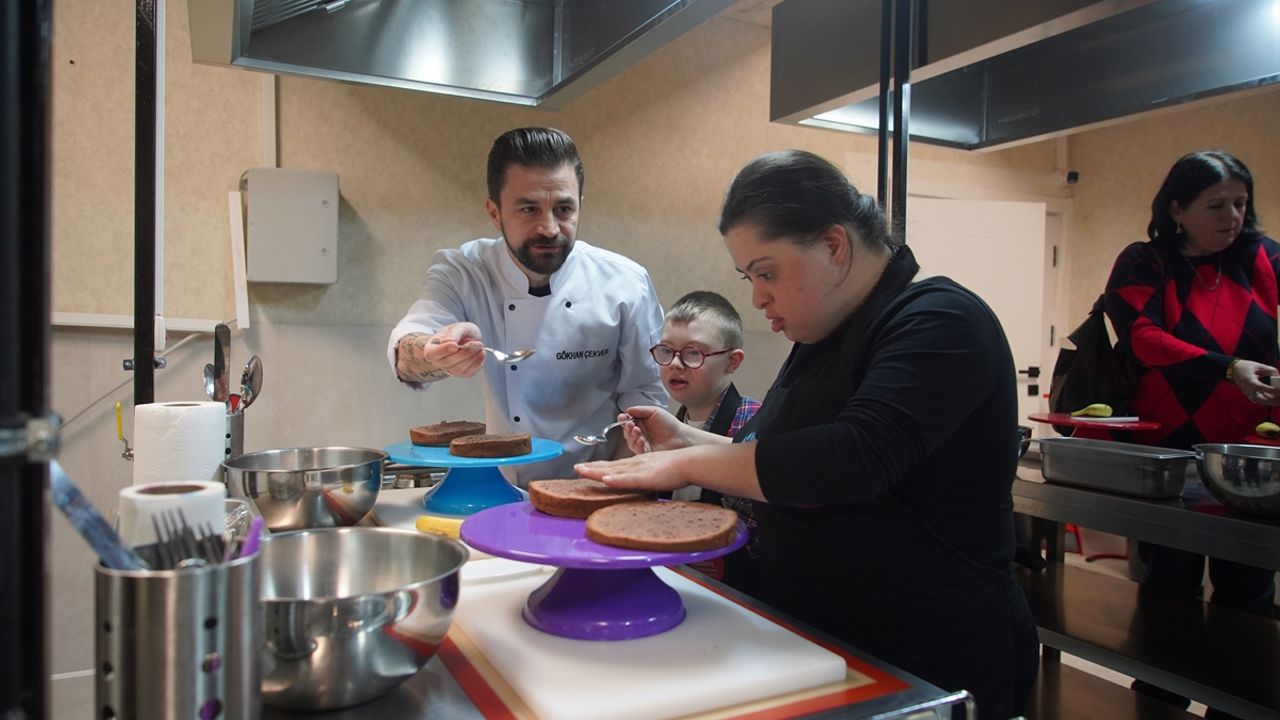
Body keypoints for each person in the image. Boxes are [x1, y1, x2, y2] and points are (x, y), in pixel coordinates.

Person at [576, 149, 1038, 719]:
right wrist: (685, 440)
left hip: (927, 649)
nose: (757, 298)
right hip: (826, 638)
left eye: (767, 273)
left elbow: (850, 459)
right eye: (749, 278)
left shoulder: (942, 320)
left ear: (834, 245)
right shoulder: (823, 336)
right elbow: (778, 458)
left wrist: (685, 466)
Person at [387, 127, 668, 484]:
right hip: (503, 488)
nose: (549, 228)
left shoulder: (626, 283)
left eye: (564, 209)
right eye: (529, 209)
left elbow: (645, 400)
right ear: (494, 213)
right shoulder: (465, 270)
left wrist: (605, 486)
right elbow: (408, 349)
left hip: (600, 485)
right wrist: (434, 352)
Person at [1103, 150, 1278, 716]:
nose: (1233, 216)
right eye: (1216, 205)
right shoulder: (1145, 261)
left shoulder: (1266, 259)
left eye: (1241, 203)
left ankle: (1239, 705)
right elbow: (1144, 339)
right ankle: (1159, 704)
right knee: (1169, 592)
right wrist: (1228, 368)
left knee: (1248, 597)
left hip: (1251, 459)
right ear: (1177, 210)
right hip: (1170, 456)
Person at [652, 290, 761, 594]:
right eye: (666, 350)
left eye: (693, 353)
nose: (675, 363)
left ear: (732, 361)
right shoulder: (670, 423)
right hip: (680, 584)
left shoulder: (755, 420)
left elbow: (763, 520)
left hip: (740, 596)